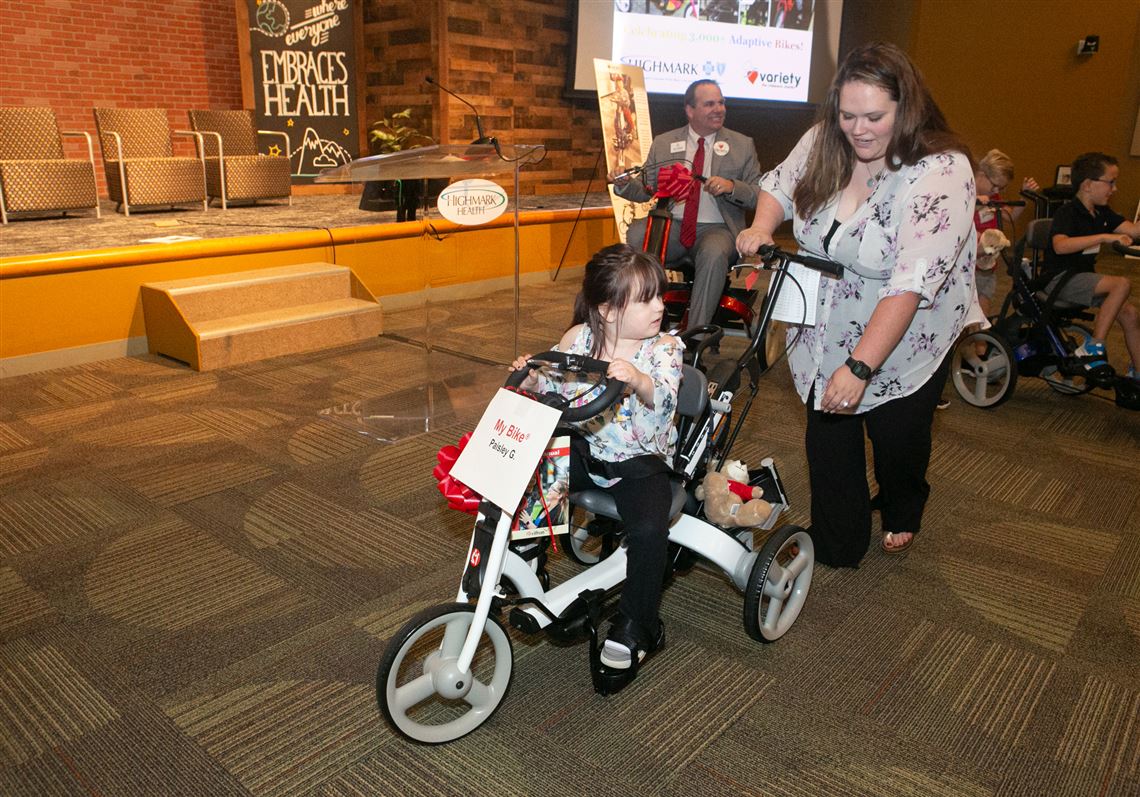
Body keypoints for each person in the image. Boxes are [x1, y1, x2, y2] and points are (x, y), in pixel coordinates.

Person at [736, 41, 978, 566]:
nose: (858, 128)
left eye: (874, 116)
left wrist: (861, 364)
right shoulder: (828, 139)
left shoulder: (941, 170)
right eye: (848, 115)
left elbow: (910, 283)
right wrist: (759, 225)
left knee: (897, 437)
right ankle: (840, 541)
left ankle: (903, 504)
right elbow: (779, 182)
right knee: (827, 433)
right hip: (826, 317)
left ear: (906, 109)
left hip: (909, 329)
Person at [511, 243, 683, 670]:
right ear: (606, 311)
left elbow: (662, 400)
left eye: (660, 295)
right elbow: (552, 386)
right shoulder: (579, 339)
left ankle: (639, 623)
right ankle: (525, 557)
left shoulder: (664, 349)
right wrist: (532, 378)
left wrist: (640, 379)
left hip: (640, 464)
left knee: (647, 531)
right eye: (646, 299)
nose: (660, 306)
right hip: (588, 450)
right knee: (536, 481)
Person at [612, 79, 760, 330]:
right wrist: (624, 183)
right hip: (674, 226)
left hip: (718, 229)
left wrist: (732, 186)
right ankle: (641, 321)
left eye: (721, 103)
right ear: (690, 110)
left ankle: (695, 334)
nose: (719, 109)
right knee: (638, 234)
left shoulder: (742, 145)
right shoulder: (664, 143)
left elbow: (758, 194)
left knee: (713, 253)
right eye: (710, 104)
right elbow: (647, 190)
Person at [938, 149, 1039, 409]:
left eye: (1000, 189)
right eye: (994, 185)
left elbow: (1005, 216)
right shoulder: (964, 191)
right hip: (964, 268)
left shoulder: (992, 197)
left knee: (981, 316)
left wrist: (1022, 200)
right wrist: (975, 200)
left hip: (986, 268)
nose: (996, 192)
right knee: (954, 320)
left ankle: (979, 359)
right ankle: (941, 370)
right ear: (981, 174)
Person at [1042, 152, 1140, 382]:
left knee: (1131, 314)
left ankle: (1138, 373)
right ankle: (1094, 345)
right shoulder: (1068, 212)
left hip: (1084, 279)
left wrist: (1110, 234)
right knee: (1122, 283)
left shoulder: (1102, 213)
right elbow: (1061, 246)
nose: (1114, 189)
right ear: (1088, 185)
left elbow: (1134, 231)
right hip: (1060, 280)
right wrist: (1104, 237)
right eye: (1110, 182)